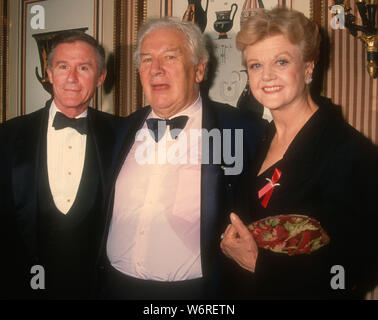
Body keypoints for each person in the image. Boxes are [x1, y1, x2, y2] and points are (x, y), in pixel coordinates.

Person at [96, 17, 264, 300]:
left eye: (170, 57)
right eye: (147, 60)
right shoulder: (120, 130)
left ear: (199, 69)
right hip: (114, 287)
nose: (156, 70)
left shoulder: (238, 130)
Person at [220, 7, 378, 300]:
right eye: (255, 65)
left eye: (281, 61)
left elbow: (355, 271)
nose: (266, 75)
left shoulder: (349, 152)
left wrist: (260, 264)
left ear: (308, 67)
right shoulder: (260, 138)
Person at [0, 31, 120, 299]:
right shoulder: (6, 136)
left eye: (84, 68)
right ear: (49, 73)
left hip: (96, 290)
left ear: (100, 77)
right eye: (63, 66)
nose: (72, 78)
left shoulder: (122, 134)